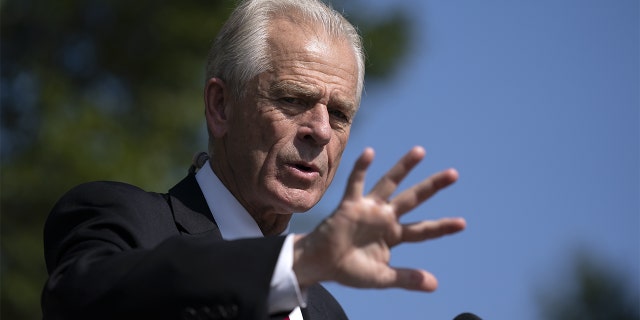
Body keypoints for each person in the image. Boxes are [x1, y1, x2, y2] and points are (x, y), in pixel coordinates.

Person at [41, 0, 467, 319]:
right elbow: (79, 299)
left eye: (339, 114)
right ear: (221, 106)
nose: (319, 130)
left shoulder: (324, 310)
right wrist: (292, 264)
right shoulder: (122, 218)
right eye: (293, 99)